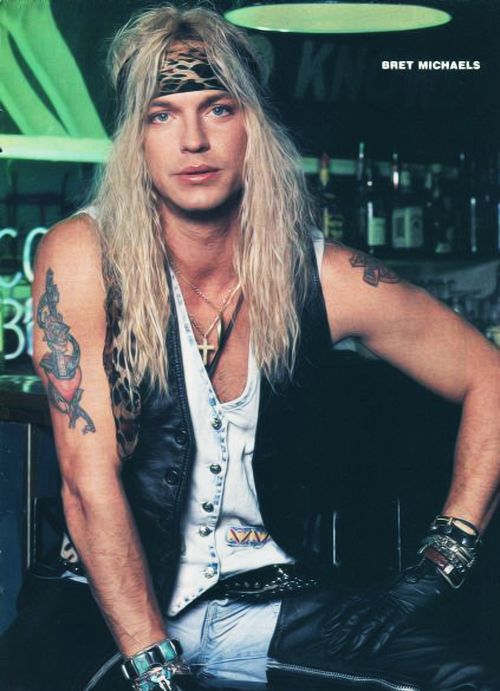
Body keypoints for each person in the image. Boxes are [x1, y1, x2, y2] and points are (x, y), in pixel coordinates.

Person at [1, 4, 499, 690]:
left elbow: (489, 375)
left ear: (254, 128)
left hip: (270, 595)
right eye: (161, 114)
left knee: (464, 676)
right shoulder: (84, 257)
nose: (193, 140)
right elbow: (89, 487)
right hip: (97, 601)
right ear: (135, 139)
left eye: (219, 108)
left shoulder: (322, 274)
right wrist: (153, 663)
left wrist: (439, 563)